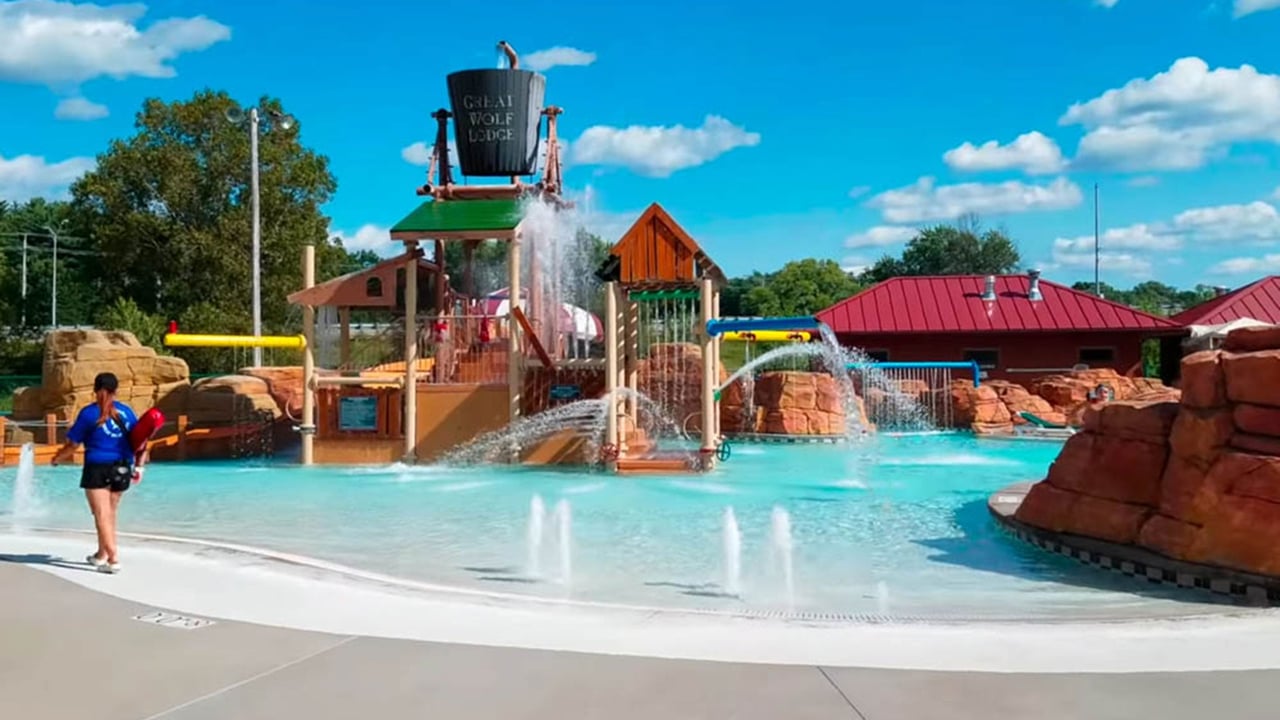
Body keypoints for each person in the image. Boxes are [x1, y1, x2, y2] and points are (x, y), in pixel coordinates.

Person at [51, 372, 140, 574]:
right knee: (109, 513)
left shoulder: (89, 413)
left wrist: (58, 458)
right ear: (116, 390)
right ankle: (101, 554)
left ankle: (114, 558)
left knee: (101, 514)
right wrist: (138, 466)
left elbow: (73, 444)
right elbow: (139, 440)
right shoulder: (127, 412)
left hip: (98, 466)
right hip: (123, 466)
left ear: (95, 389)